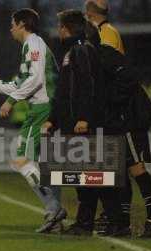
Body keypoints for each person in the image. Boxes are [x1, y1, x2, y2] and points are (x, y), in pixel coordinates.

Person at [0, 8, 67, 233]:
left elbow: (35, 80)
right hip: (47, 108)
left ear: (21, 24)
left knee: (21, 159)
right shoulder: (32, 46)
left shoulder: (33, 44)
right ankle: (54, 218)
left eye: (12, 24)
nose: (10, 29)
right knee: (46, 165)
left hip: (42, 109)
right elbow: (23, 82)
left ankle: (53, 207)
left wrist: (10, 101)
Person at [85, 21, 151, 238]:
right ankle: (124, 222)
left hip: (129, 120)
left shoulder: (106, 55)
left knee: (136, 169)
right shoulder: (97, 57)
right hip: (118, 121)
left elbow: (128, 77)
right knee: (122, 171)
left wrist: (112, 102)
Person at [42, 9, 106, 236]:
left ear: (67, 28)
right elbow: (64, 93)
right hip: (71, 123)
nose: (58, 30)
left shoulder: (82, 50)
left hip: (81, 124)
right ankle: (86, 220)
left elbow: (89, 87)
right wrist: (53, 120)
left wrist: (84, 117)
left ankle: (88, 222)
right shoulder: (71, 51)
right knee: (80, 174)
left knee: (88, 174)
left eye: (60, 26)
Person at [85, 0, 131, 235]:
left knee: (116, 164)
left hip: (112, 112)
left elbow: (113, 71)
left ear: (90, 14)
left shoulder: (107, 34)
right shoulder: (105, 32)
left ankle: (120, 217)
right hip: (107, 109)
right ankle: (114, 215)